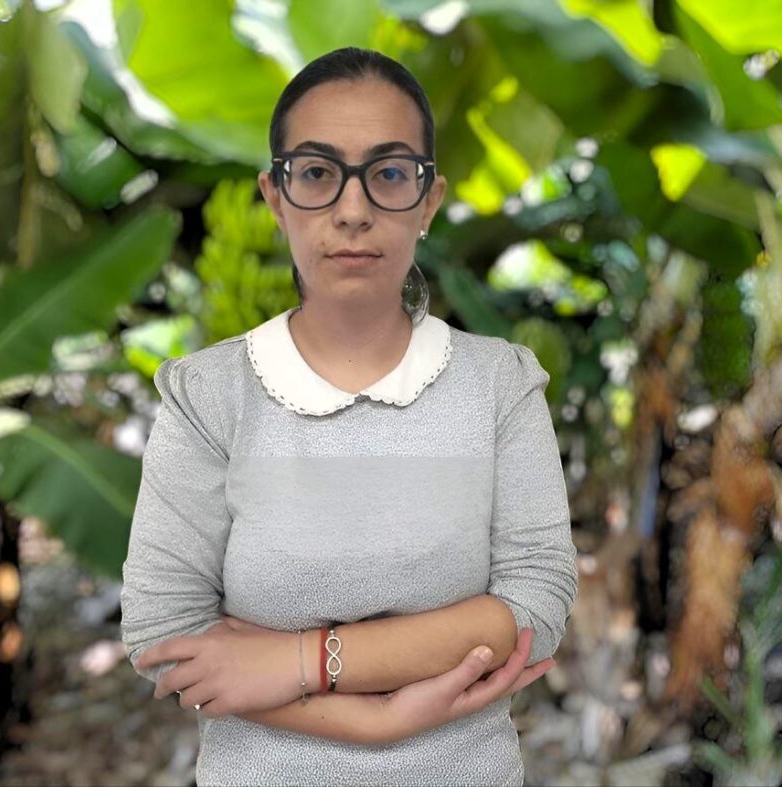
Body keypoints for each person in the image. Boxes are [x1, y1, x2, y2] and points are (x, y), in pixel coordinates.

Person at [120, 46, 578, 786]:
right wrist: (376, 720)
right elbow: (162, 632)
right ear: (275, 196)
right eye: (317, 173)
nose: (354, 210)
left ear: (429, 201)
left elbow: (535, 605)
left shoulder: (500, 384)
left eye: (390, 174)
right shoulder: (207, 396)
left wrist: (298, 659)